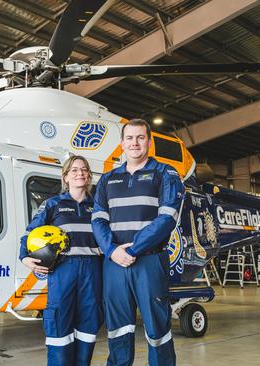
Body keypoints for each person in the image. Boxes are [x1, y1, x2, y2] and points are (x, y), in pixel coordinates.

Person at [92, 119, 183, 366]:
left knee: (157, 329)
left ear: (149, 142)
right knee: (118, 329)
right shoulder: (107, 179)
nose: (135, 143)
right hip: (114, 264)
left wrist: (131, 250)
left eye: (140, 137)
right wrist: (111, 251)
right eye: (130, 138)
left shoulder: (165, 173)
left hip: (149, 261)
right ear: (122, 144)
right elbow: (98, 221)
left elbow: (166, 219)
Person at [19, 155, 103, 366]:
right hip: (63, 268)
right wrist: (24, 257)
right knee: (59, 321)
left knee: (89, 322)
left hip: (93, 269)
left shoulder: (99, 206)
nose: (80, 173)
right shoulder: (52, 204)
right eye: (74, 170)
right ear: (65, 176)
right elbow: (30, 234)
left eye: (84, 170)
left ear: (89, 175)